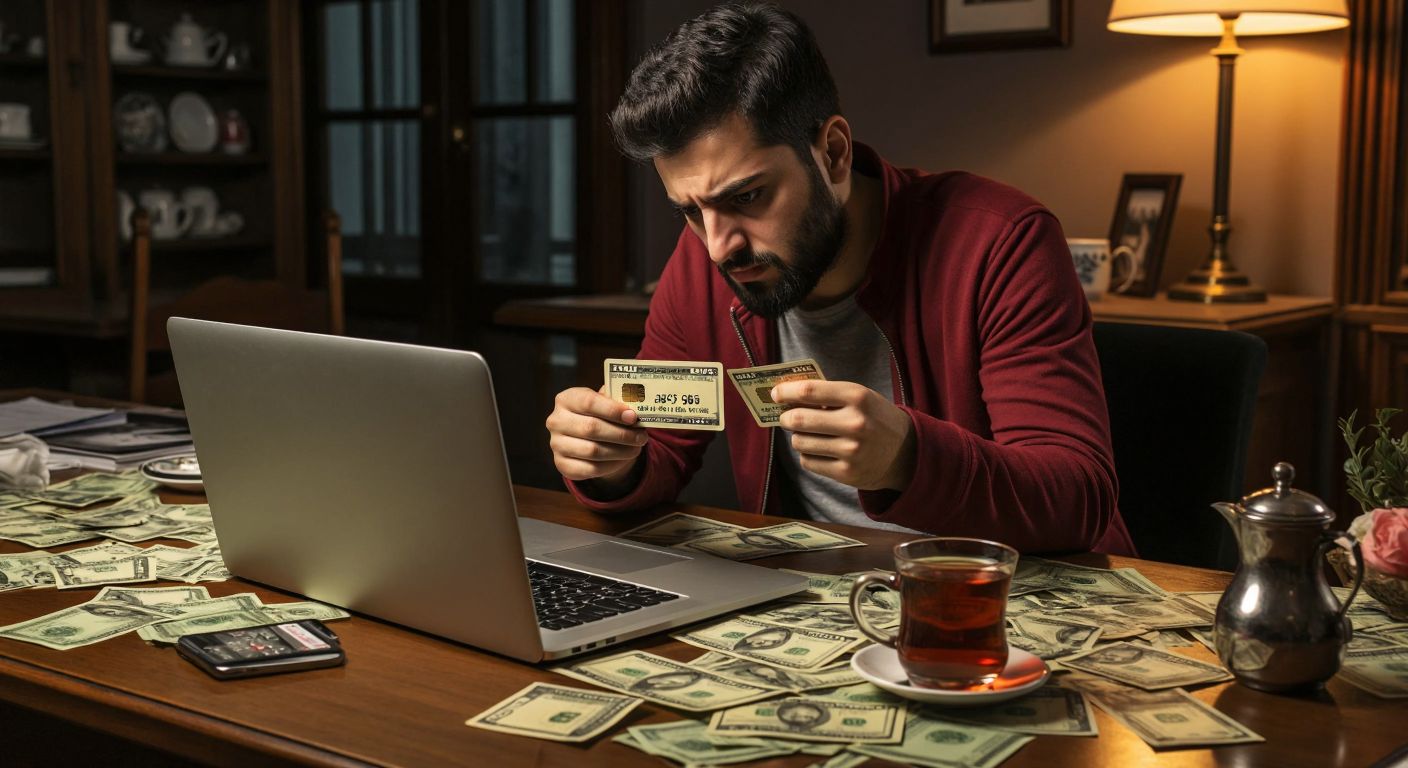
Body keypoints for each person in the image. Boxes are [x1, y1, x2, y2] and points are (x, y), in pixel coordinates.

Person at [544, 2, 1135, 555]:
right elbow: (662, 452)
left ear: (832, 153)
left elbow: (1077, 499)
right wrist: (610, 462)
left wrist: (907, 458)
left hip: (1001, 592)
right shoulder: (704, 259)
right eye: (691, 211)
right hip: (818, 595)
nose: (720, 247)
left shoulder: (1002, 240)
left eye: (747, 197)